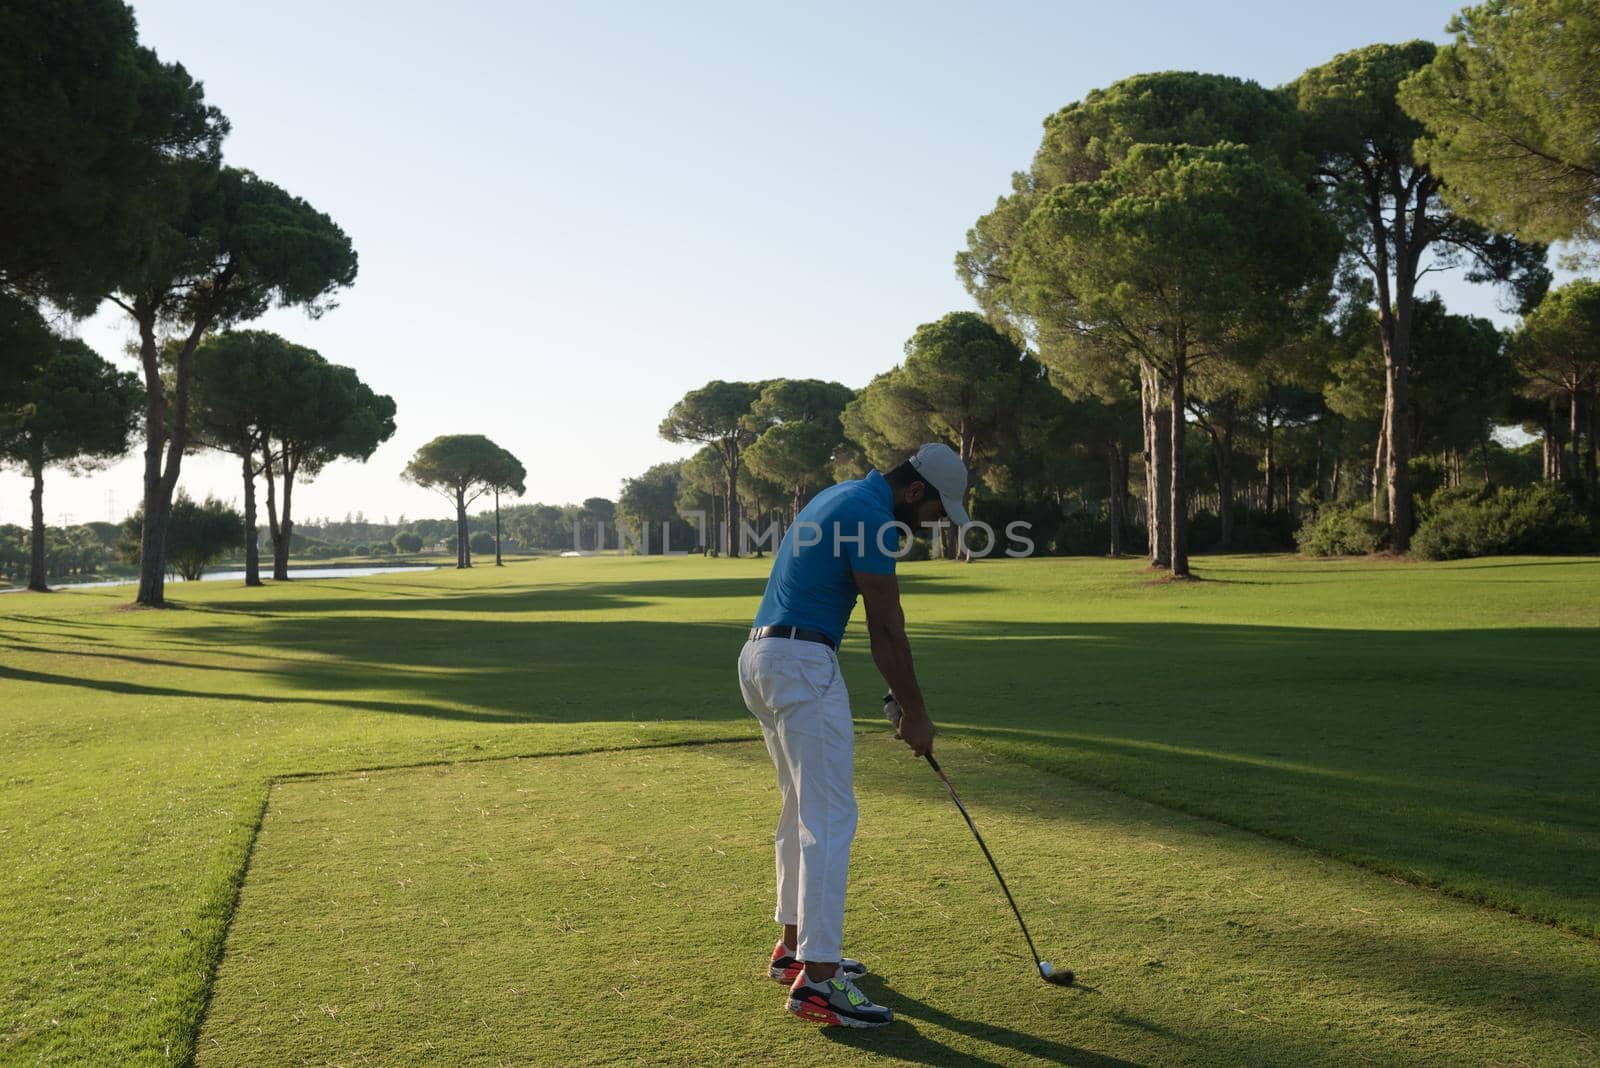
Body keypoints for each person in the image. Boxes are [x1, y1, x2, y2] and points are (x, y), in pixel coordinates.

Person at [737, 442, 970, 1028]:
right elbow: (886, 627)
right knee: (830, 817)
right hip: (799, 663)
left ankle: (793, 947)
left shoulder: (838, 495)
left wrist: (897, 696)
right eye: (938, 509)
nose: (936, 522)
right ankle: (818, 981)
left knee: (800, 811)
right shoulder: (871, 517)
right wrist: (917, 714)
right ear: (914, 492)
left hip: (762, 657)